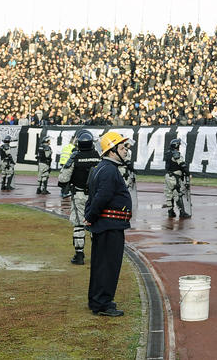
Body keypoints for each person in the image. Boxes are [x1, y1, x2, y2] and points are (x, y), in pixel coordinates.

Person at [84, 131, 133, 317]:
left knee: (100, 264)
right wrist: (91, 216)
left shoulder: (102, 168)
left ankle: (96, 299)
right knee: (108, 266)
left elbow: (93, 196)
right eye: (122, 147)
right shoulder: (110, 171)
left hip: (106, 225)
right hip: (109, 226)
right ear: (112, 151)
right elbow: (101, 197)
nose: (126, 151)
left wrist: (90, 216)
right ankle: (103, 304)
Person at [59, 132, 102, 264]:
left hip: (79, 195)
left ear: (79, 143)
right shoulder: (98, 157)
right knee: (96, 224)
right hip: (97, 197)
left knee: (79, 225)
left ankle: (79, 256)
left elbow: (63, 179)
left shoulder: (75, 157)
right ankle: (97, 256)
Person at [164, 137, 191, 218]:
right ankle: (182, 212)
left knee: (169, 194)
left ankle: (170, 212)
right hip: (174, 177)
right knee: (177, 194)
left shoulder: (168, 153)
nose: (179, 146)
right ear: (176, 146)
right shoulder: (176, 154)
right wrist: (188, 173)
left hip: (168, 176)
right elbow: (182, 165)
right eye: (178, 145)